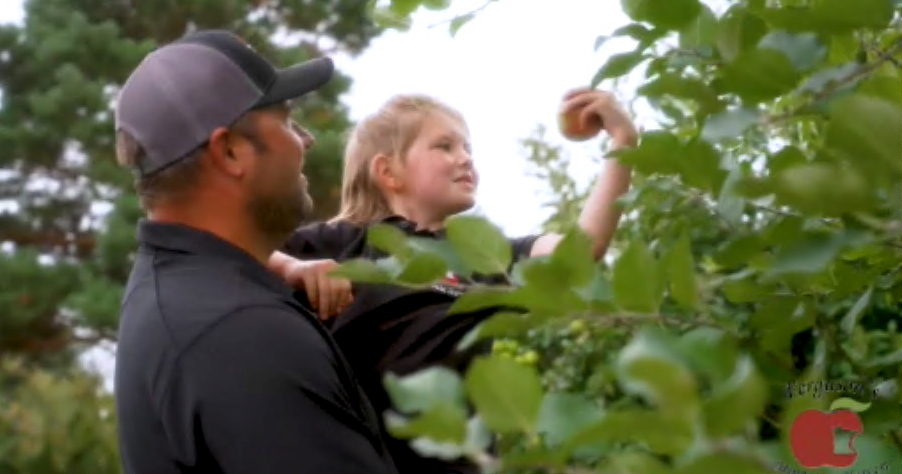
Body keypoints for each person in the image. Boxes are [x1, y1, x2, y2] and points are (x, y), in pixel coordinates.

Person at [268, 90, 637, 473]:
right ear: (388, 172)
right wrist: (292, 267)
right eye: (444, 146)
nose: (465, 158)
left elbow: (581, 251)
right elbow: (237, 248)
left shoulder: (482, 258)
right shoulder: (344, 242)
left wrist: (623, 142)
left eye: (467, 147)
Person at [112, 29, 398, 474]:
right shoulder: (243, 334)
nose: (306, 140)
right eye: (286, 121)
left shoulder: (174, 291)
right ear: (230, 152)